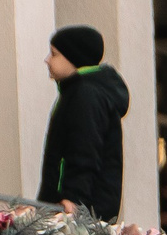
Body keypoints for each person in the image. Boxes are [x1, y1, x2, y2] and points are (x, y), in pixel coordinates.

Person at [39, 27, 127, 219]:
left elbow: (84, 152)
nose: (47, 59)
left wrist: (74, 201)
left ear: (73, 57)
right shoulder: (79, 91)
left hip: (77, 213)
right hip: (79, 210)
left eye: (54, 54)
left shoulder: (85, 95)